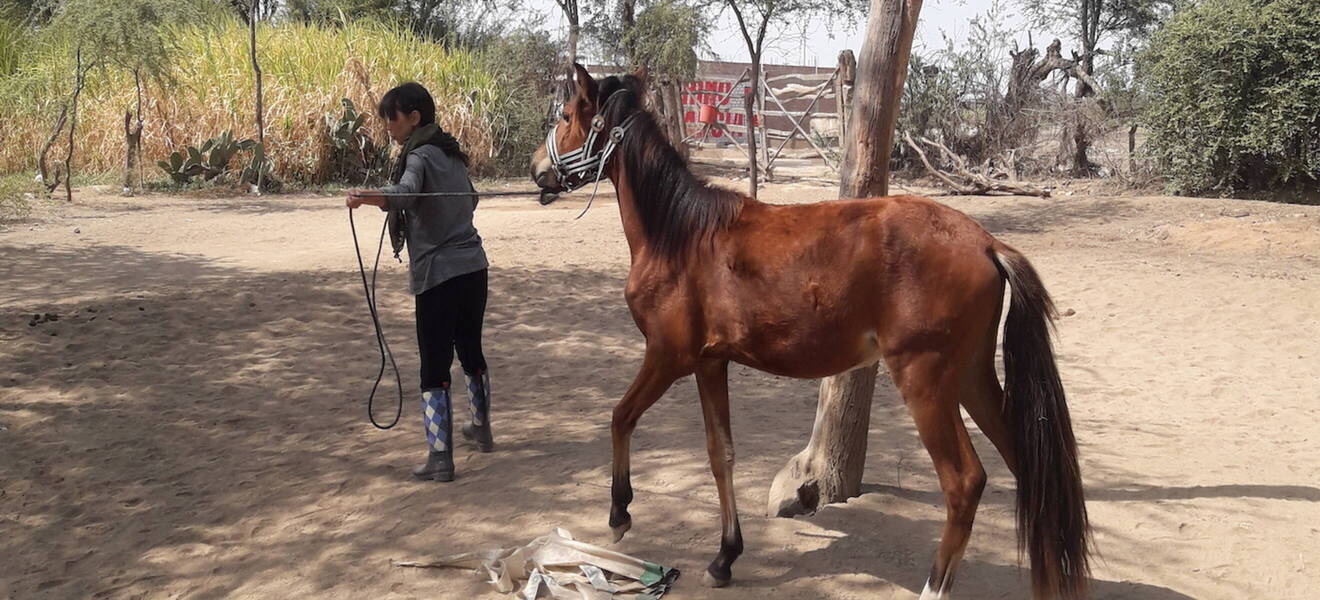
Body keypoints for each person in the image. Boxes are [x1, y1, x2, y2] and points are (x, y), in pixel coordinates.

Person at [347, 82, 494, 483]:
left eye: (392, 119)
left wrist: (369, 196)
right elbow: (472, 200)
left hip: (438, 276)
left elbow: (405, 194)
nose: (388, 127)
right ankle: (481, 429)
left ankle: (440, 457)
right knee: (471, 353)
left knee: (434, 366)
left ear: (414, 118)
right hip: (473, 268)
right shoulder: (452, 154)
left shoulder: (419, 156)